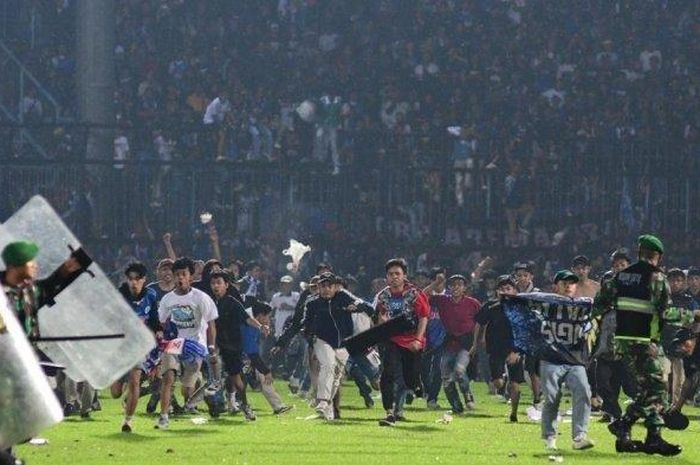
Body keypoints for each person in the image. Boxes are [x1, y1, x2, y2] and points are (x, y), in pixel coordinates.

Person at [595, 235, 681, 456]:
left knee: (649, 389)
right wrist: (694, 316)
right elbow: (667, 313)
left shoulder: (620, 276)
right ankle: (630, 425)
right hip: (646, 340)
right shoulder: (656, 277)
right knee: (658, 389)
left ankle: (642, 435)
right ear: (657, 256)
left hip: (624, 340)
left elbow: (601, 303)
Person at [155, 257, 218, 430]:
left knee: (186, 391)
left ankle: (202, 389)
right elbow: (161, 322)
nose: (180, 278)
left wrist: (211, 348)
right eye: (177, 275)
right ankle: (163, 417)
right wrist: (160, 335)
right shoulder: (168, 299)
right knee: (168, 378)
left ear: (190, 277)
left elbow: (211, 324)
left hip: (195, 345)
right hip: (174, 343)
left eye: (184, 274)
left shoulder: (201, 298)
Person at [302, 272, 374, 420]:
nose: (326, 289)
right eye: (323, 286)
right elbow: (306, 324)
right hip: (322, 340)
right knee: (328, 365)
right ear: (318, 287)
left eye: (330, 286)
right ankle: (322, 401)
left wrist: (357, 307)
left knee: (336, 376)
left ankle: (327, 411)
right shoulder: (312, 302)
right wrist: (310, 339)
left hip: (344, 342)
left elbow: (368, 307)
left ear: (336, 287)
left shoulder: (343, 296)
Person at [537, 270, 594, 451]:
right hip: (551, 358)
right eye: (564, 282)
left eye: (572, 283)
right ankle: (550, 437)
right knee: (552, 398)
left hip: (574, 358)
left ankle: (579, 436)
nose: (569, 285)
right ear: (556, 286)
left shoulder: (584, 305)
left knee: (584, 391)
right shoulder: (545, 303)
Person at [210, 270, 277, 420]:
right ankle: (208, 403)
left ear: (226, 285)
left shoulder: (232, 303)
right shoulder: (208, 302)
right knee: (211, 376)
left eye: (219, 283)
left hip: (231, 347)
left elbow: (247, 319)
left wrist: (260, 326)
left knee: (237, 381)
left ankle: (244, 406)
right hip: (212, 345)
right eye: (213, 283)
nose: (216, 286)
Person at [373, 258, 429, 427]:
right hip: (391, 340)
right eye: (390, 274)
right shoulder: (382, 296)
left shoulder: (415, 294)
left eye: (397, 274)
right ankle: (389, 412)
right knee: (388, 373)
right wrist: (381, 323)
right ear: (386, 277)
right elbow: (377, 320)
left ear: (404, 275)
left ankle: (417, 384)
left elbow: (423, 317)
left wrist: (418, 339)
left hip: (412, 341)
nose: (394, 277)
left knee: (410, 379)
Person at [424, 273, 481, 413]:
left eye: (459, 285)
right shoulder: (443, 301)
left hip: (466, 343)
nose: (456, 287)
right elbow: (423, 295)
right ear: (448, 287)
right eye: (453, 285)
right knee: (445, 378)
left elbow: (482, 322)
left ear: (464, 287)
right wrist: (436, 283)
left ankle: (468, 397)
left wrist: (478, 341)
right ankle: (456, 406)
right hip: (448, 343)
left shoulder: (473, 303)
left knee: (460, 371)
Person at [112, 262, 158, 432]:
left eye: (137, 279)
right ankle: (125, 392)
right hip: (120, 346)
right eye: (130, 279)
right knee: (115, 393)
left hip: (139, 346)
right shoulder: (119, 296)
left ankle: (128, 421)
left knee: (134, 381)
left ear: (144, 280)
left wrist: (157, 332)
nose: (133, 282)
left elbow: (154, 320)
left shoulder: (151, 296)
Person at [472, 275, 523, 422]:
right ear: (497, 292)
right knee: (498, 383)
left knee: (516, 385)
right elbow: (479, 323)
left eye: (508, 288)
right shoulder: (490, 306)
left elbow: (526, 332)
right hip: (495, 349)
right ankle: (503, 382)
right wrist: (475, 343)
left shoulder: (521, 308)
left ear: (515, 291)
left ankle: (514, 413)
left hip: (515, 349)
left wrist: (518, 351)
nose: (505, 291)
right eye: (502, 289)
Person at [241, 303, 292, 416]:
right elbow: (252, 353)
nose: (269, 319)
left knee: (261, 377)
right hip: (238, 359)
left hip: (246, 359)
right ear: (259, 316)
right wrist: (266, 371)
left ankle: (278, 406)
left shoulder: (254, 326)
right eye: (268, 316)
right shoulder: (248, 328)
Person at [662, 268, 699, 407]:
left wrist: (692, 341)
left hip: (681, 345)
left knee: (679, 380)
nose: (675, 283)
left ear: (683, 283)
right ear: (667, 281)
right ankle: (662, 405)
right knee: (662, 378)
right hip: (662, 343)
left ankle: (674, 409)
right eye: (672, 280)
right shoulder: (662, 299)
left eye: (678, 280)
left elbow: (697, 321)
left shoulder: (689, 301)